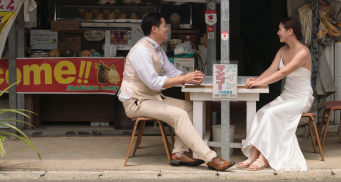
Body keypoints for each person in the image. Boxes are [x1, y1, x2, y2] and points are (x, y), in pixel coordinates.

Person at [119, 13, 234, 171]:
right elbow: (153, 83)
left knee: (189, 107)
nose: (167, 29)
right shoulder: (141, 50)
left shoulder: (157, 48)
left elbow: (172, 72)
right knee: (179, 114)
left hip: (153, 98)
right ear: (154, 29)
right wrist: (184, 79)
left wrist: (190, 78)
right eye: (164, 25)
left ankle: (179, 152)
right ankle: (211, 158)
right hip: (136, 101)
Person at [240, 17, 314, 171]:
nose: (278, 33)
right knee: (261, 112)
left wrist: (260, 83)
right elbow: (272, 69)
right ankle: (254, 155)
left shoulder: (303, 52)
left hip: (301, 98)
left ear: (290, 31)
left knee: (271, 114)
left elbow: (284, 72)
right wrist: (257, 80)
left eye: (280, 29)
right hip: (287, 96)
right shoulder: (282, 50)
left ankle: (264, 158)